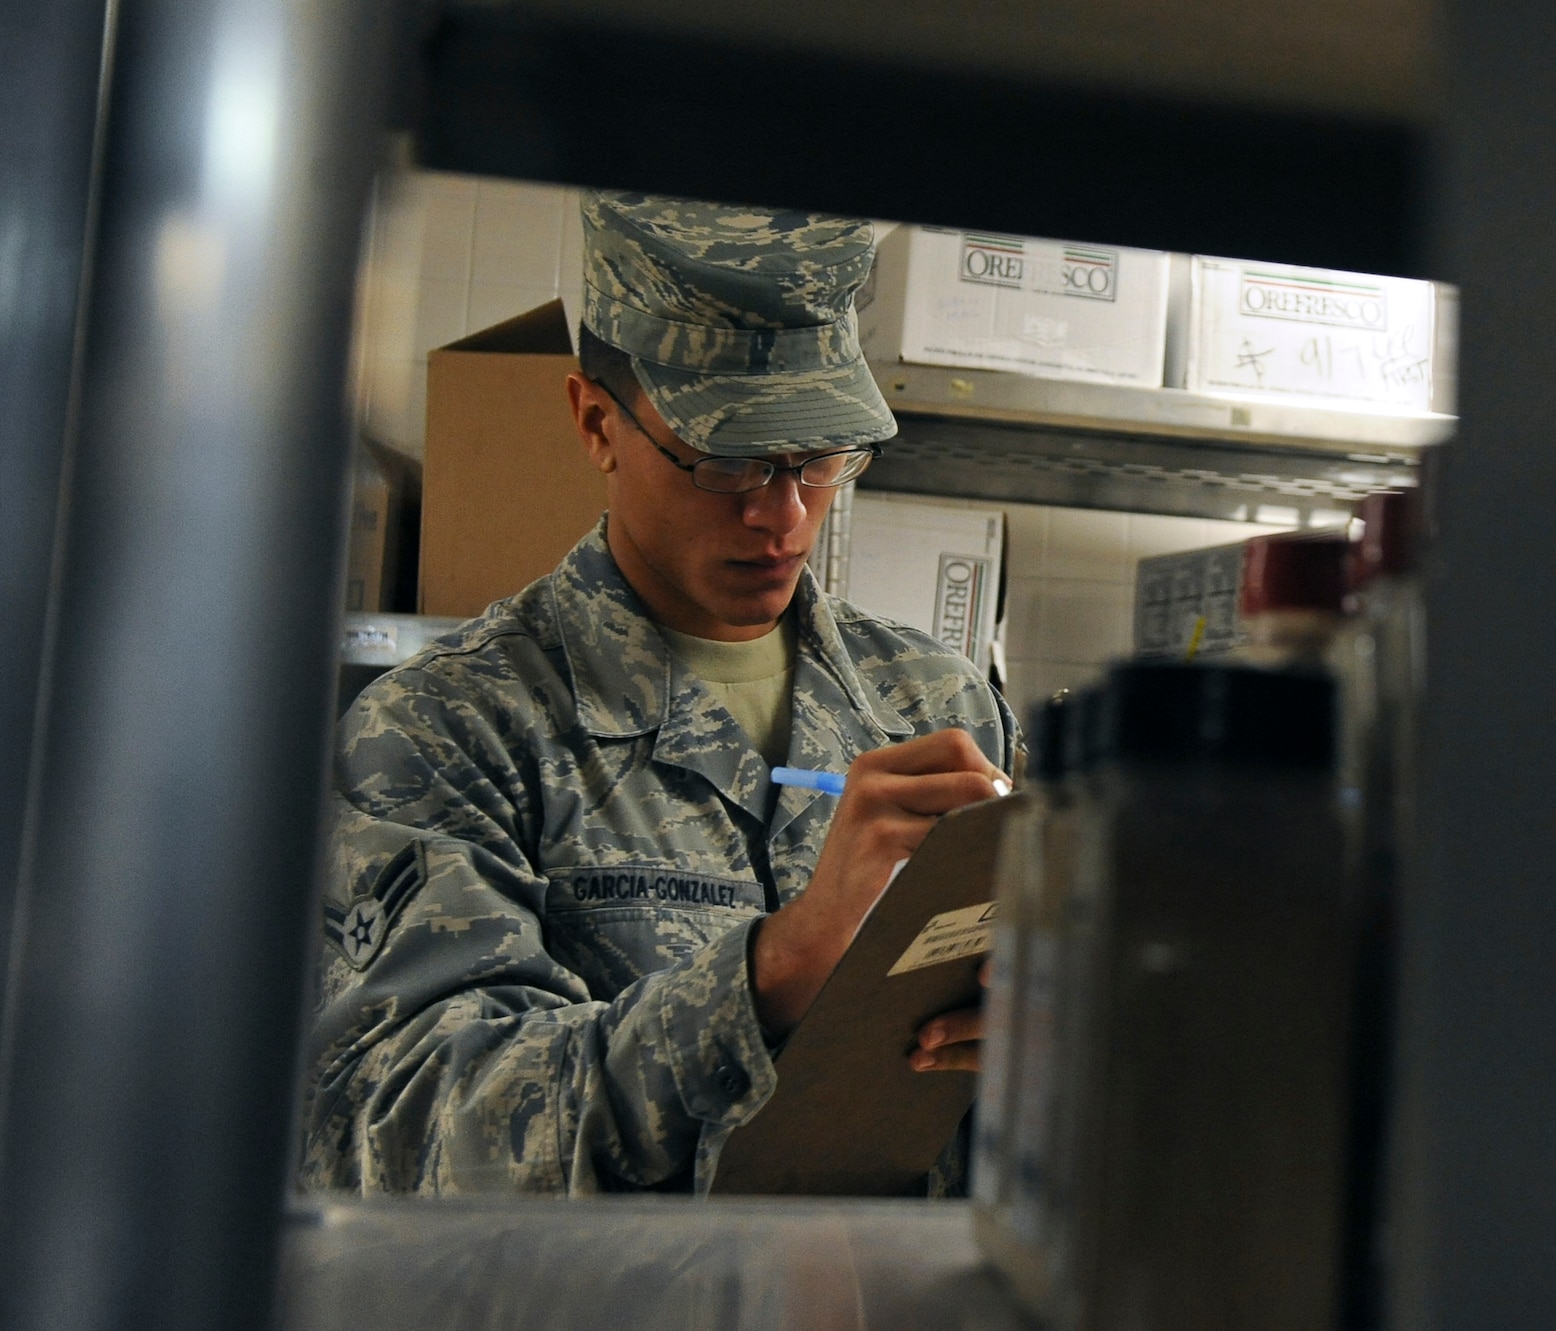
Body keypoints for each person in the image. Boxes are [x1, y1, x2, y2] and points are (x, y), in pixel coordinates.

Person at [302, 193, 1019, 1195]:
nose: (784, 515)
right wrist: (770, 973)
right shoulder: (448, 731)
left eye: (817, 458)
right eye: (727, 459)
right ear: (595, 422)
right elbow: (397, 1137)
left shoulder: (936, 704)